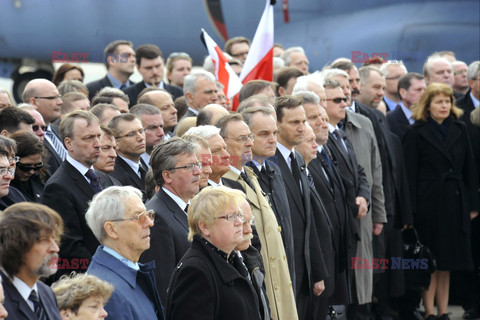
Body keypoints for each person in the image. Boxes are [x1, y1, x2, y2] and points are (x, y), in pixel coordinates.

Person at [403, 83, 479, 320]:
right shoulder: (416, 132)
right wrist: (411, 211)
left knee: (447, 262)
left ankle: (443, 311)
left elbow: (470, 169)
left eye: (447, 101)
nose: (444, 106)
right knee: (430, 261)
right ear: (428, 105)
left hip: (454, 203)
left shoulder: (460, 128)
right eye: (439, 101)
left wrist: (473, 205)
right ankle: (429, 312)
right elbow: (409, 174)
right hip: (428, 204)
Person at [166, 186, 262, 320]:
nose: (240, 222)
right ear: (205, 227)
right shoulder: (195, 272)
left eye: (239, 215)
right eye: (231, 217)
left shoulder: (231, 260)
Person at [85, 186, 165, 319]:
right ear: (112, 229)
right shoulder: (108, 292)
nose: (150, 223)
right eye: (139, 217)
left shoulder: (129, 272)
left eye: (149, 215)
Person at [42, 110, 105, 276]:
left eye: (99, 135)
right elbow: (69, 249)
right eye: (89, 138)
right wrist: (108, 269)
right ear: (68, 144)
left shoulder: (103, 178)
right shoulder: (57, 188)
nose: (98, 143)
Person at [139, 138, 201, 303]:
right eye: (189, 167)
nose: (198, 172)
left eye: (198, 164)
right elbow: (162, 287)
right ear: (167, 175)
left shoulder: (189, 207)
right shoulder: (157, 217)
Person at [0, 202, 63, 320]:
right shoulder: (2, 299)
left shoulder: (46, 292)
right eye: (44, 240)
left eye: (54, 239)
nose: (55, 248)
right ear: (15, 245)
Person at [108, 113, 148, 200]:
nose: (140, 138)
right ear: (116, 142)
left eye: (141, 131)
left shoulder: (144, 165)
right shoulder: (114, 176)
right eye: (131, 134)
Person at [10, 131, 46, 202]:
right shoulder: (4, 188)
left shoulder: (39, 180)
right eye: (26, 167)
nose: (32, 172)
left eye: (37, 166)